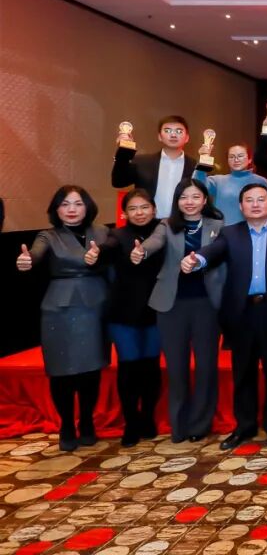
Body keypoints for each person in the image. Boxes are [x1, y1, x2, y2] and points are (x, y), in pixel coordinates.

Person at [182, 182, 267, 449]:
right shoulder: (230, 233)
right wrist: (197, 259)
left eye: (261, 199)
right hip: (241, 313)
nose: (255, 204)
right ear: (240, 205)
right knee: (243, 372)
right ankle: (244, 427)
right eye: (249, 200)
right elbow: (213, 252)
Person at [16, 185, 109, 451]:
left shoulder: (102, 232)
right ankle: (67, 424)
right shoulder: (48, 235)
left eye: (77, 204)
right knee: (61, 371)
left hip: (95, 304)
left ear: (87, 207)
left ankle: (87, 421)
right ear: (56, 209)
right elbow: (35, 253)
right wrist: (27, 260)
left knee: (92, 369)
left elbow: (115, 259)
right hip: (60, 307)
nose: (71, 209)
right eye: (65, 204)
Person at [134, 179, 227, 443]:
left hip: (206, 305)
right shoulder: (166, 225)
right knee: (176, 369)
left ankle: (200, 425)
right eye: (184, 197)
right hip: (171, 305)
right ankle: (179, 425)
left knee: (206, 367)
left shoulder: (218, 226)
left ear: (205, 200)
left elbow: (223, 253)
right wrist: (142, 251)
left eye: (195, 196)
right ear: (177, 201)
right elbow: (154, 242)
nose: (189, 202)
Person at [103, 189, 164, 447]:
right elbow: (106, 250)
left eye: (144, 207)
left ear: (154, 209)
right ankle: (130, 422)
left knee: (151, 367)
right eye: (133, 208)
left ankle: (148, 417)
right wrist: (95, 253)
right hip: (123, 312)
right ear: (124, 213)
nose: (139, 213)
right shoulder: (116, 236)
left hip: (156, 311)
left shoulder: (164, 232)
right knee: (128, 368)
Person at [111, 115, 196, 218]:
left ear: (187, 138)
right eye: (167, 131)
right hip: (148, 222)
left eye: (179, 131)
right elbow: (118, 182)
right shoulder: (142, 161)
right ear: (159, 136)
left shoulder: (195, 166)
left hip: (182, 223)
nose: (173, 135)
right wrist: (123, 152)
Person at [194, 143, 267, 226]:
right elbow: (197, 187)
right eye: (231, 157)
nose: (236, 160)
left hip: (252, 230)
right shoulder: (218, 181)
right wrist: (203, 159)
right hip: (221, 230)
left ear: (249, 159)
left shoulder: (260, 181)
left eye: (240, 156)